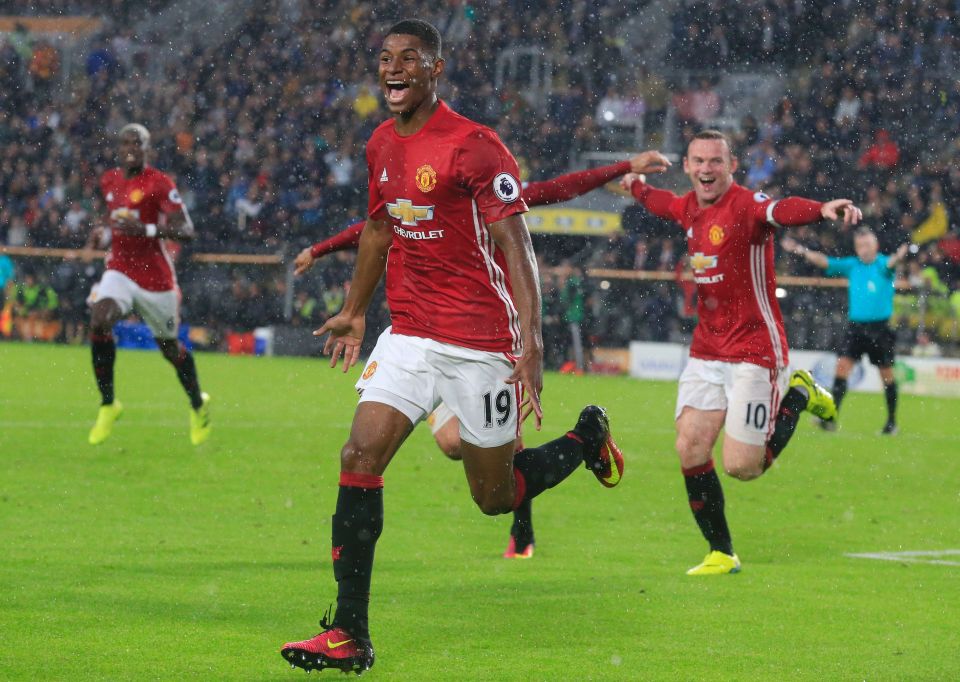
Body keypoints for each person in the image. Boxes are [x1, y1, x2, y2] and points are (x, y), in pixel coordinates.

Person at [280, 20, 626, 675]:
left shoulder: (475, 147)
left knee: (495, 497)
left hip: (480, 341)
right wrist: (355, 311)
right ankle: (350, 630)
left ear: (436, 69)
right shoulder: (380, 143)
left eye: (409, 59)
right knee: (359, 453)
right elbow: (379, 232)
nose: (393, 69)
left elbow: (516, 246)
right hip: (409, 331)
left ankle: (585, 440)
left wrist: (533, 343)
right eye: (385, 59)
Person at [293, 153, 658, 560]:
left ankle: (524, 531)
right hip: (429, 339)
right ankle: (579, 445)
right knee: (453, 445)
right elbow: (375, 228)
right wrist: (320, 249)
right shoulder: (426, 211)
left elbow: (562, 187)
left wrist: (623, 166)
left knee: (506, 457)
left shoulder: (498, 203)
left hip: (490, 338)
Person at [621, 129, 862, 576]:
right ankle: (721, 552)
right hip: (707, 350)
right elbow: (663, 203)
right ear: (688, 166)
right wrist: (634, 184)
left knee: (743, 468)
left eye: (716, 161)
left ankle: (799, 394)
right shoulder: (690, 207)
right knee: (690, 446)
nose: (706, 169)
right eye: (698, 161)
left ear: (732, 166)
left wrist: (821, 211)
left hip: (755, 349)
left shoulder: (749, 206)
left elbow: (781, 210)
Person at [84, 123, 211, 446]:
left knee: (169, 348)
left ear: (146, 148)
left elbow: (187, 229)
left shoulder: (159, 183)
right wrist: (102, 233)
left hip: (156, 281)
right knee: (99, 320)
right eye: (125, 143)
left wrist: (148, 229)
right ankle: (109, 403)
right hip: (120, 270)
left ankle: (198, 404)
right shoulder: (109, 181)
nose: (130, 149)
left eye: (136, 143)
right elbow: (109, 219)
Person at [781, 229, 908, 434]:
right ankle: (831, 418)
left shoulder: (882, 264)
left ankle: (891, 423)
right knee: (842, 368)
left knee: (886, 375)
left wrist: (899, 257)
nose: (864, 250)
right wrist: (801, 250)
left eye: (867, 245)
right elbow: (825, 262)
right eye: (860, 246)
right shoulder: (853, 265)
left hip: (879, 329)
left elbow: (891, 264)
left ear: (875, 245)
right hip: (856, 328)